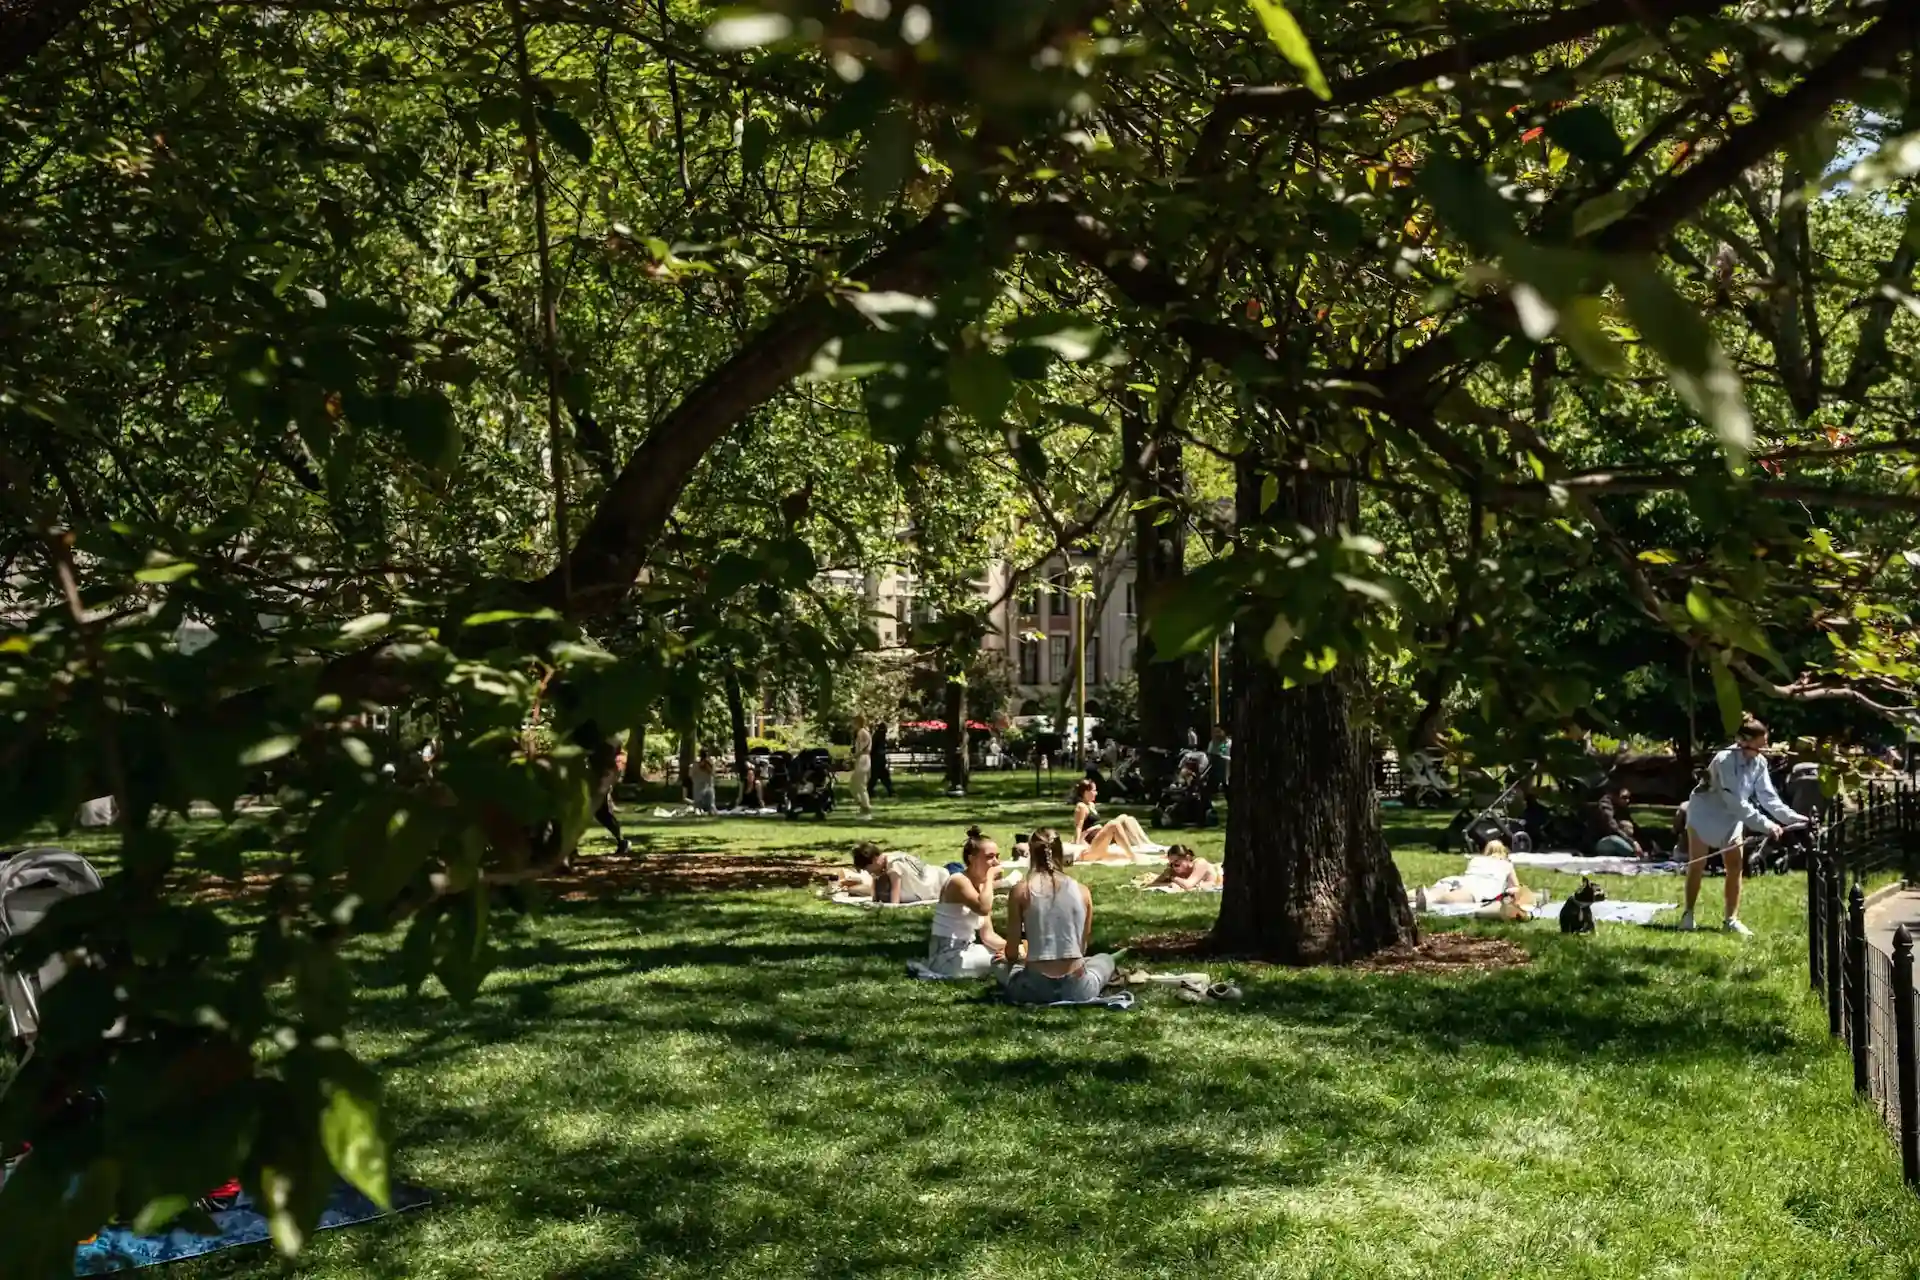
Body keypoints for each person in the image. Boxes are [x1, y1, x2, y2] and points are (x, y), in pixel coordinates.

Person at [1681, 714, 1808, 935]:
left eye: (1764, 746)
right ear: (1743, 742)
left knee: (1735, 866)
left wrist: (1793, 818)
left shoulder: (1759, 763)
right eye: (1758, 746)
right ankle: (1688, 914)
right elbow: (1737, 803)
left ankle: (1730, 920)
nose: (1763, 751)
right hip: (1706, 813)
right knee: (1697, 865)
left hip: (1732, 817)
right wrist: (1767, 826)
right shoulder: (1724, 761)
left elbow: (1768, 798)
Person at [1002, 828, 1120, 1004]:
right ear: (1060, 851)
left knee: (997, 963)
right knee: (1105, 959)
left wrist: (1020, 956)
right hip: (1079, 989)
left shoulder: (1021, 891)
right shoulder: (1082, 891)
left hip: (1032, 989)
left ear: (1032, 853)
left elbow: (1011, 953)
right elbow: (1081, 948)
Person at [926, 827, 1009, 976]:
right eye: (989, 857)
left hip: (968, 949)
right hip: (946, 957)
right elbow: (983, 908)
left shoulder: (981, 887)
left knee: (1013, 955)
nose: (996, 862)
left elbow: (988, 935)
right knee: (1009, 961)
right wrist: (990, 877)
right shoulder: (958, 881)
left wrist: (1015, 947)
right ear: (972, 859)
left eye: (997, 856)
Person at [1413, 841, 1540, 918]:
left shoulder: (1476, 859)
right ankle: (1430, 902)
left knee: (1440, 888)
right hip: (1480, 886)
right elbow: (1515, 888)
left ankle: (1426, 896)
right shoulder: (1506, 864)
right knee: (1453, 897)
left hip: (1462, 879)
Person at [1069, 779, 1153, 865]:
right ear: (1086, 792)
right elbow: (1079, 827)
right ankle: (1132, 856)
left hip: (1098, 835)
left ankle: (1143, 842)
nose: (1096, 793)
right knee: (1114, 824)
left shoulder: (1091, 805)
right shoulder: (1081, 807)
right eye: (1094, 790)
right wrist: (1077, 844)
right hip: (1091, 840)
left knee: (1125, 818)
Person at [852, 842, 947, 904]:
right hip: (938, 875)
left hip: (940, 882)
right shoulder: (888, 859)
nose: (867, 871)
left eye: (866, 867)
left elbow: (895, 900)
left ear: (875, 860)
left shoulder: (893, 866)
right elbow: (875, 897)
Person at [594, 745, 633, 856]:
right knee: (602, 815)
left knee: (603, 815)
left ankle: (622, 841)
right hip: (593, 784)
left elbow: (612, 771)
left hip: (599, 785)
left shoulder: (603, 756)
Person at [1586, 786, 1644, 859]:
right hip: (1599, 842)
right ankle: (1635, 855)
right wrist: (1633, 842)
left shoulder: (1621, 807)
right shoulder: (1605, 807)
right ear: (1614, 796)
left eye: (1628, 798)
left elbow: (1635, 828)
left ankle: (1638, 852)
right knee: (1614, 840)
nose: (1627, 800)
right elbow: (1613, 828)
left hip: (1618, 838)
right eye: (1624, 797)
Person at [1148, 844, 1221, 891]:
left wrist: (1173, 878)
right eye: (1171, 864)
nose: (1174, 867)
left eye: (1176, 863)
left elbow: (1188, 885)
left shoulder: (1200, 863)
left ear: (1188, 858)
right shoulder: (1173, 870)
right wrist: (1169, 884)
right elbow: (1152, 884)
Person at [850, 716, 874, 817]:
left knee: (860, 785)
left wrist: (852, 757)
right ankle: (862, 804)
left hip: (863, 759)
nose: (852, 725)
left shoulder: (862, 732)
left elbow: (861, 749)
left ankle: (866, 806)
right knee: (854, 784)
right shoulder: (862, 732)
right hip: (862, 759)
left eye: (854, 722)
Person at [686, 748, 719, 814]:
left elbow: (690, 775)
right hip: (707, 787)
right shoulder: (710, 764)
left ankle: (700, 812)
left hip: (700, 788)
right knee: (711, 807)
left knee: (698, 807)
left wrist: (695, 780)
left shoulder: (695, 765)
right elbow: (713, 774)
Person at [870, 720, 894, 798]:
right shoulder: (879, 736)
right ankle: (870, 791)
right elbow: (874, 748)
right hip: (876, 761)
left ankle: (890, 791)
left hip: (878, 761)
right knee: (876, 777)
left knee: (881, 777)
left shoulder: (878, 735)